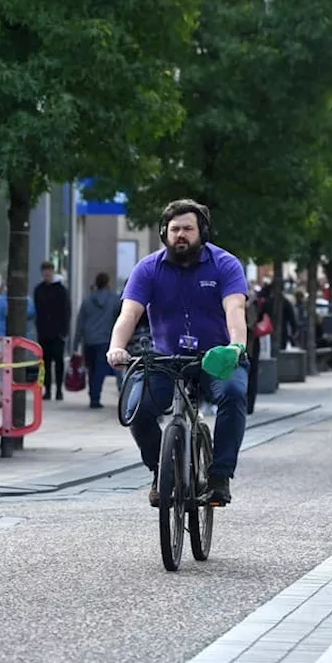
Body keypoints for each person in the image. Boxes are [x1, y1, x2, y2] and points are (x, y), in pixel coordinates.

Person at [106, 199, 249, 507]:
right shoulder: (148, 268)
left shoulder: (225, 265)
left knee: (234, 393)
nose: (180, 235)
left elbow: (235, 309)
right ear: (164, 233)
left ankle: (219, 475)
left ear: (203, 232)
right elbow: (128, 314)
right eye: (174, 230)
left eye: (188, 228)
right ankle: (161, 470)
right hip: (165, 359)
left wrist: (236, 346)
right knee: (136, 409)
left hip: (216, 357)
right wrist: (116, 347)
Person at [73, 272, 122, 409]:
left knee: (92, 369)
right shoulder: (114, 300)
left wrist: (75, 343)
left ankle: (93, 396)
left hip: (89, 340)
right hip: (105, 339)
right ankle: (96, 397)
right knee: (101, 370)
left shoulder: (87, 300)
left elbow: (80, 322)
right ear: (107, 283)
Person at [34, 261, 72, 401]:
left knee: (59, 363)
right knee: (45, 363)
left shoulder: (61, 290)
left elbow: (66, 311)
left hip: (57, 333)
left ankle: (59, 390)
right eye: (44, 271)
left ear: (52, 271)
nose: (46, 273)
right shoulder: (39, 290)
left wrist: (64, 331)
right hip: (44, 332)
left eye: (48, 271)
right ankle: (47, 389)